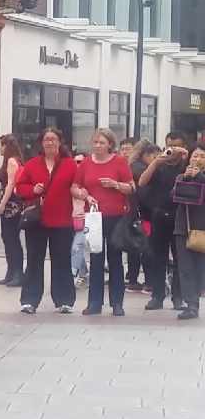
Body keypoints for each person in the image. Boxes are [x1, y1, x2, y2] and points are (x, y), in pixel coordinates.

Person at [71, 129, 135, 316]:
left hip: (116, 217)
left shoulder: (119, 162)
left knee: (115, 259)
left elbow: (131, 187)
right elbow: (75, 187)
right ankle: (94, 303)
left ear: (110, 145)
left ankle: (117, 303)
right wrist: (86, 195)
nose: (98, 146)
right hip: (94, 217)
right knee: (96, 259)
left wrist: (115, 184)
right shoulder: (86, 163)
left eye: (102, 142)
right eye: (95, 142)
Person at [15, 128, 77, 315]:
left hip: (62, 220)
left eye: (53, 139)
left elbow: (78, 185)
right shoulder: (33, 164)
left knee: (62, 261)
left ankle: (64, 300)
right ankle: (29, 300)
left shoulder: (70, 164)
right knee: (34, 260)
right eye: (46, 139)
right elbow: (19, 188)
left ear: (60, 142)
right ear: (41, 143)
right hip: (37, 220)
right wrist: (33, 190)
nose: (50, 143)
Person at [139, 131, 189, 311]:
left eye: (176, 146)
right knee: (157, 258)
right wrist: (155, 162)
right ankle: (157, 296)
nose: (172, 150)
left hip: (181, 217)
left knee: (180, 259)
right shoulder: (159, 164)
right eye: (169, 146)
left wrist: (187, 158)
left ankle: (178, 297)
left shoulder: (186, 164)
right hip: (159, 215)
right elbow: (142, 182)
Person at [173, 143, 205, 320]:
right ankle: (191, 304)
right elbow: (173, 196)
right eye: (195, 156)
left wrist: (200, 177)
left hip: (202, 229)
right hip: (183, 227)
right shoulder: (181, 176)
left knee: (200, 267)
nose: (197, 159)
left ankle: (197, 298)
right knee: (185, 268)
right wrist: (185, 179)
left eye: (201, 156)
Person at [127, 139, 160, 291]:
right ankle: (148, 281)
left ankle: (134, 279)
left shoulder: (135, 166)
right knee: (145, 247)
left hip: (136, 213)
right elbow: (145, 193)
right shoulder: (140, 168)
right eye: (155, 156)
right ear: (147, 154)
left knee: (138, 247)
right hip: (142, 214)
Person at [0, 134, 24, 287]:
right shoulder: (12, 160)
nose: (0, 148)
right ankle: (11, 272)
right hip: (10, 205)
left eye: (1, 145)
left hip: (12, 206)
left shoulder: (12, 161)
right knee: (8, 238)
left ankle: (17, 273)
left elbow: (11, 185)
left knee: (11, 238)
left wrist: (2, 204)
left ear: (7, 146)